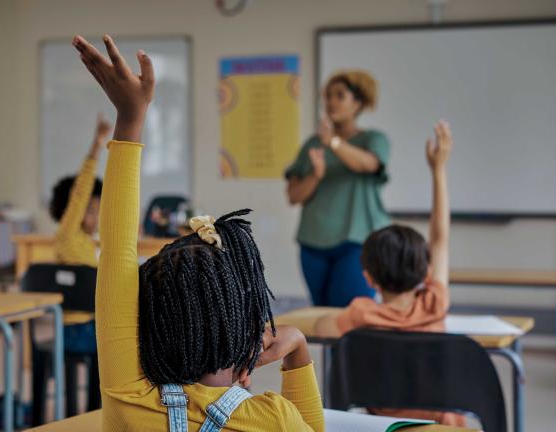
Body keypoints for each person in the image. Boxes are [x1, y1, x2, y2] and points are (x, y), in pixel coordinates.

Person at [73, 34, 324, 430]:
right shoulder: (274, 419)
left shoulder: (127, 397)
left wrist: (130, 117)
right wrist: (297, 351)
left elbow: (117, 251)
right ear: (246, 323)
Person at [314, 120, 463, 426]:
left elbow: (322, 326)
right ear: (424, 271)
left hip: (384, 426)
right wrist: (438, 170)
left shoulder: (360, 314)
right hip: (443, 425)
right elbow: (440, 238)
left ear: (368, 277)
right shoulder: (434, 302)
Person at [285, 70, 391, 307]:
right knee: (321, 315)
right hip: (313, 242)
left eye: (340, 96)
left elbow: (368, 164)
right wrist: (316, 175)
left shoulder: (373, 139)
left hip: (357, 241)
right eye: (328, 96)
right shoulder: (312, 145)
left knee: (351, 314)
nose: (331, 102)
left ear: (358, 104)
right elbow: (293, 196)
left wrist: (332, 141)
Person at [49, 114, 111, 354]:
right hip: (76, 329)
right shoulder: (68, 234)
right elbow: (80, 193)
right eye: (91, 211)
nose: (97, 217)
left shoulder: (89, 241)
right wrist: (97, 143)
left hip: (92, 325)